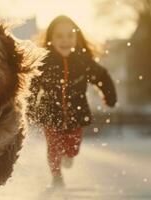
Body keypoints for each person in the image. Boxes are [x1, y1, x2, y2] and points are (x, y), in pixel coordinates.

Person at [28, 15, 117, 187]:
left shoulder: (83, 61)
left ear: (77, 38)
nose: (65, 40)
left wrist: (109, 96)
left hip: (76, 113)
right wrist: (30, 107)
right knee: (53, 147)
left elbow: (102, 76)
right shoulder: (44, 62)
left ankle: (68, 155)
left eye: (70, 35)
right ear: (50, 39)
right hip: (50, 113)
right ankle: (56, 177)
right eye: (59, 36)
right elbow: (32, 85)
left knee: (72, 149)